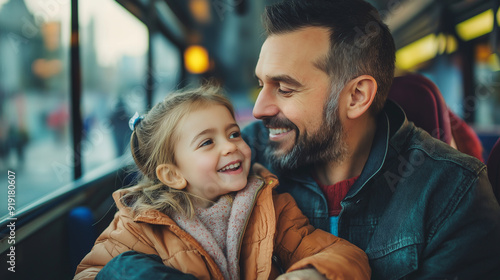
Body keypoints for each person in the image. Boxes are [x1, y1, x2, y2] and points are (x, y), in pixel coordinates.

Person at [91, 0, 500, 279]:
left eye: (284, 88)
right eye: (260, 85)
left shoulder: (452, 190)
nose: (261, 107)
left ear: (356, 96)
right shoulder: (240, 159)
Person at [74, 84, 371, 280]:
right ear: (173, 175)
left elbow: (347, 256)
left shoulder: (271, 207)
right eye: (207, 143)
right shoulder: (137, 226)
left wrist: (312, 273)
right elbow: (90, 274)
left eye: (233, 134)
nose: (230, 147)